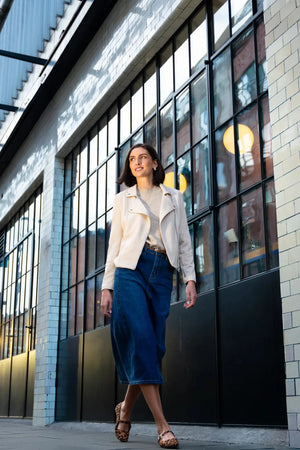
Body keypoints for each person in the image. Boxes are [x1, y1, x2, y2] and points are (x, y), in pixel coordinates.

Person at [101, 143, 197, 449]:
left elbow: (183, 239)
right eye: (132, 159)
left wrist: (190, 278)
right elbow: (114, 245)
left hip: (162, 271)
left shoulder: (174, 197)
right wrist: (107, 286)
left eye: (143, 157)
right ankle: (162, 426)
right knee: (141, 337)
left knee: (153, 347)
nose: (137, 162)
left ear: (155, 163)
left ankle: (125, 408)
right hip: (130, 268)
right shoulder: (123, 199)